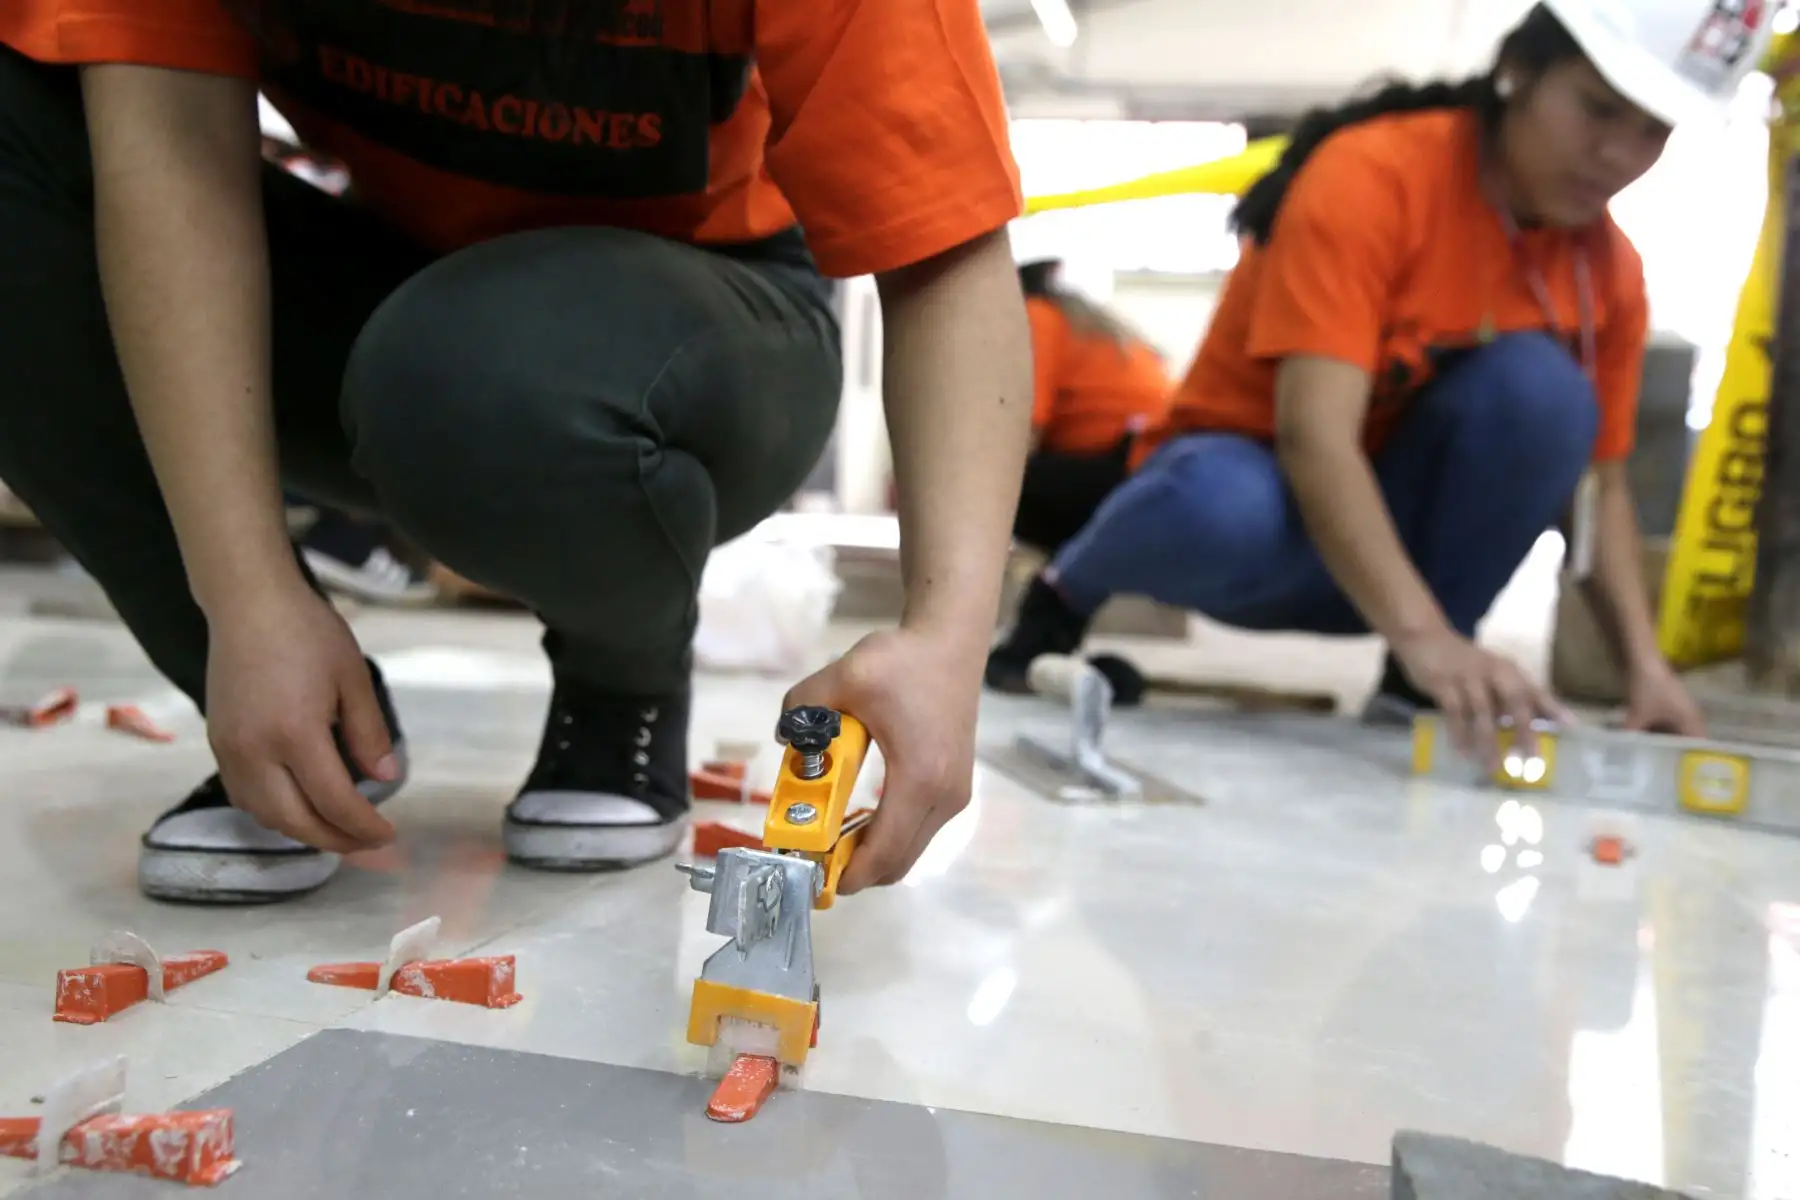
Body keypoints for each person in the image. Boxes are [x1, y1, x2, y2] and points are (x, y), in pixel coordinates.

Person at [0, 1, 1031, 903]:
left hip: (705, 317)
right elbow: (170, 157)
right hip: (389, 286)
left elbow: (941, 253)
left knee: (481, 370)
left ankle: (622, 679)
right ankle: (296, 728)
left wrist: (948, 636)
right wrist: (242, 598)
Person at [991, 0, 1750, 768]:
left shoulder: (1605, 273)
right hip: (1260, 524)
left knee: (1545, 396)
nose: (1618, 153)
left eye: (1653, 130)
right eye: (1597, 109)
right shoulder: (1372, 177)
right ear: (1519, 70)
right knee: (1221, 502)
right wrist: (1428, 638)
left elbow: (1601, 492)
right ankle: (1063, 596)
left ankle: (1415, 688)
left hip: (1387, 562)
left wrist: (1646, 673)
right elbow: (1313, 436)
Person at [1011, 260, 1172, 555]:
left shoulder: (1037, 316)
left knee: (991, 488)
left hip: (1126, 463)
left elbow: (1023, 429)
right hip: (1155, 459)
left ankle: (1068, 570)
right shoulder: (1079, 316)